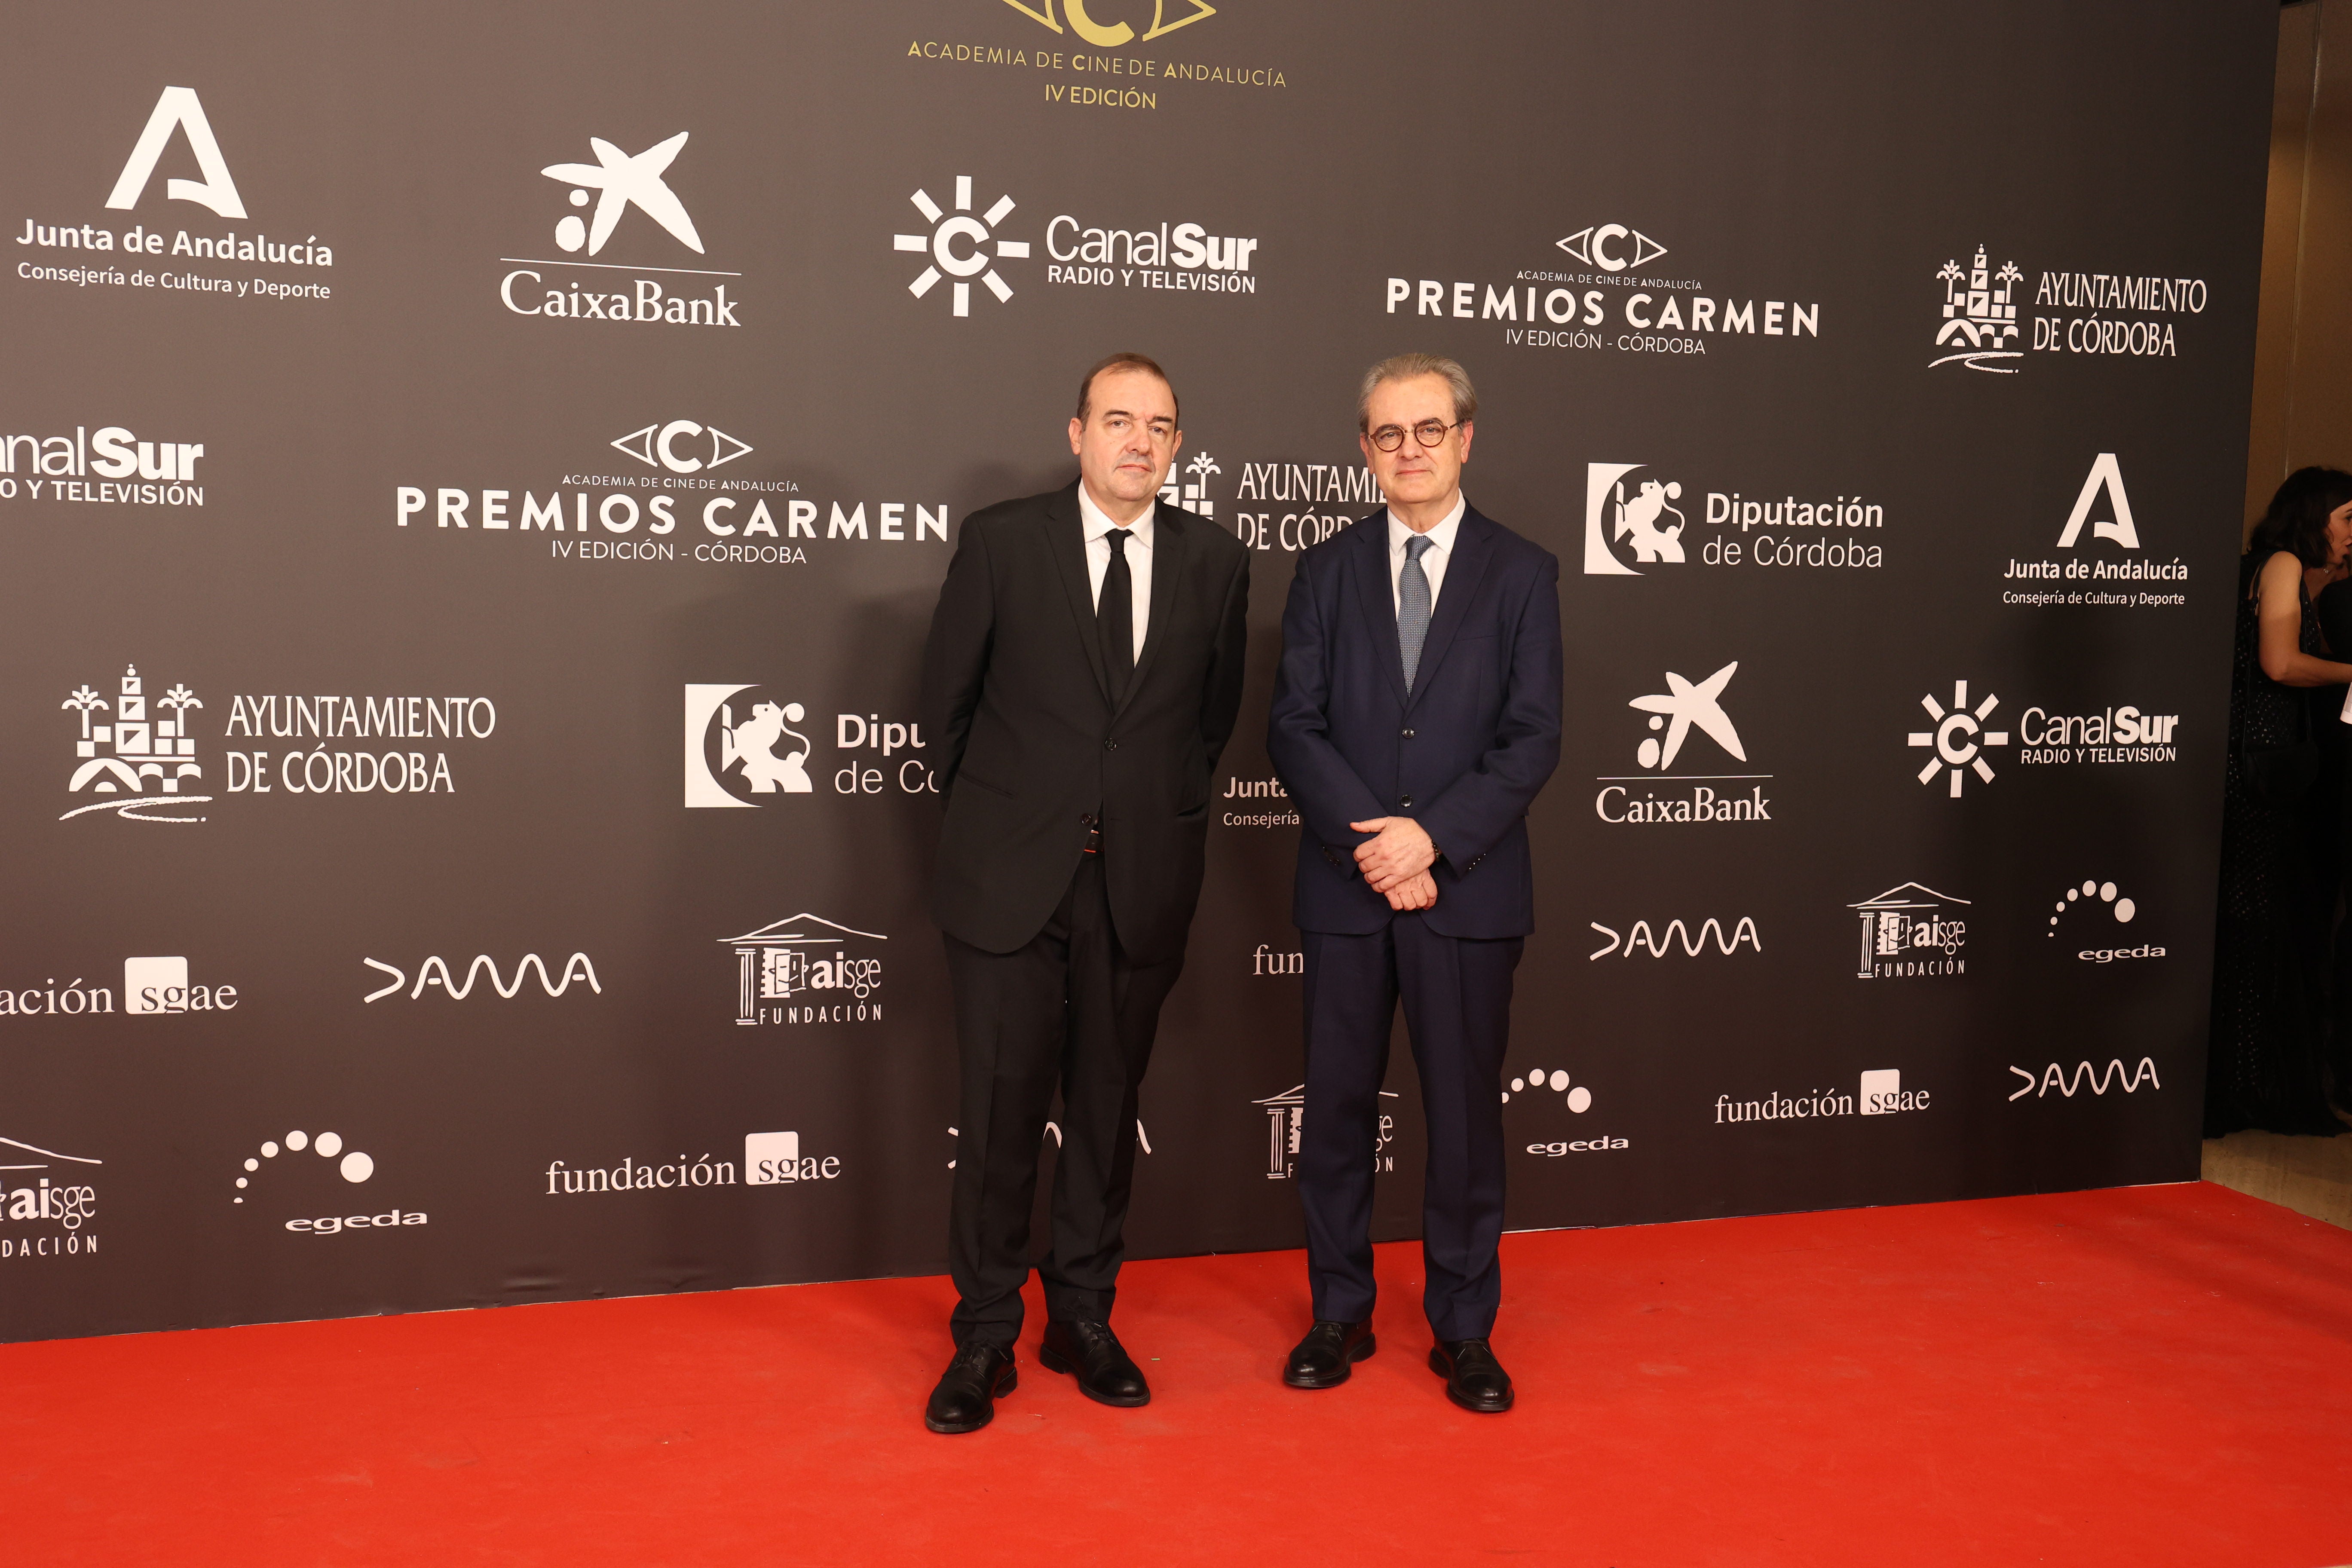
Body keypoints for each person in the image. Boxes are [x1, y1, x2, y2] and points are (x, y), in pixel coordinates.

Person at [918, 352, 1250, 1433]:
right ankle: (981, 1339)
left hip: (1140, 883)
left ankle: (1085, 1320)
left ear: (1178, 447)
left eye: (1160, 425)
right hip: (1009, 883)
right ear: (1076, 434)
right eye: (1118, 420)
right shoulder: (1004, 542)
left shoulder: (1216, 561)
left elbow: (1208, 727)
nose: (1138, 442)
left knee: (1106, 1116)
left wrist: (1149, 820)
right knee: (1000, 1113)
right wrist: (1009, 826)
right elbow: (946, 714)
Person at [1265, 353, 1562, 1413]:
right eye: (1389, 435)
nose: (1410, 451)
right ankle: (1337, 1313)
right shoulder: (1325, 570)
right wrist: (1375, 849)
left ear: (1466, 437)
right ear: (1365, 450)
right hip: (1349, 894)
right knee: (1336, 1113)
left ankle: (1465, 1330)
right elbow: (1293, 725)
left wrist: (1429, 841)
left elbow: (1532, 740)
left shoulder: (1522, 573)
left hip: (1468, 894)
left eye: (1429, 430)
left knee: (1465, 1123)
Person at [2209, 466, 2352, 1136]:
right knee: (2255, 929)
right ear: (2312, 515)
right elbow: (2279, 663)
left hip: (2257, 769)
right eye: (2348, 518)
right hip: (2258, 774)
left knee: (2256, 930)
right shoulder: (2285, 563)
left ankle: (2243, 1083)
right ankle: (2244, 1087)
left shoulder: (2275, 567)